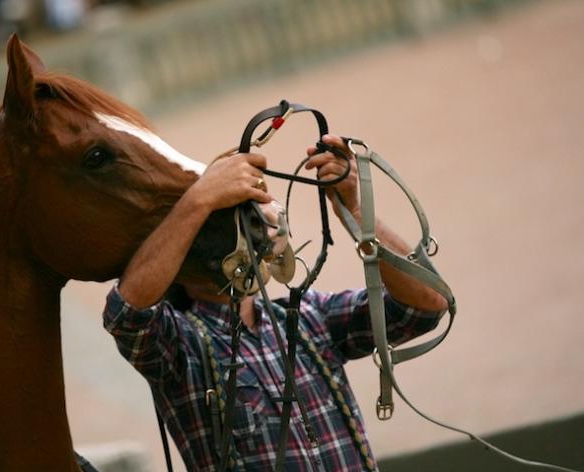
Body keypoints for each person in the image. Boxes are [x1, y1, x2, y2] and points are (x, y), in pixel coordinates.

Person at [103, 134, 448, 471]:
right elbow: (126, 315)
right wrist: (198, 201)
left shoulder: (309, 318)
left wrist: (352, 209)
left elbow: (425, 306)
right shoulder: (179, 347)